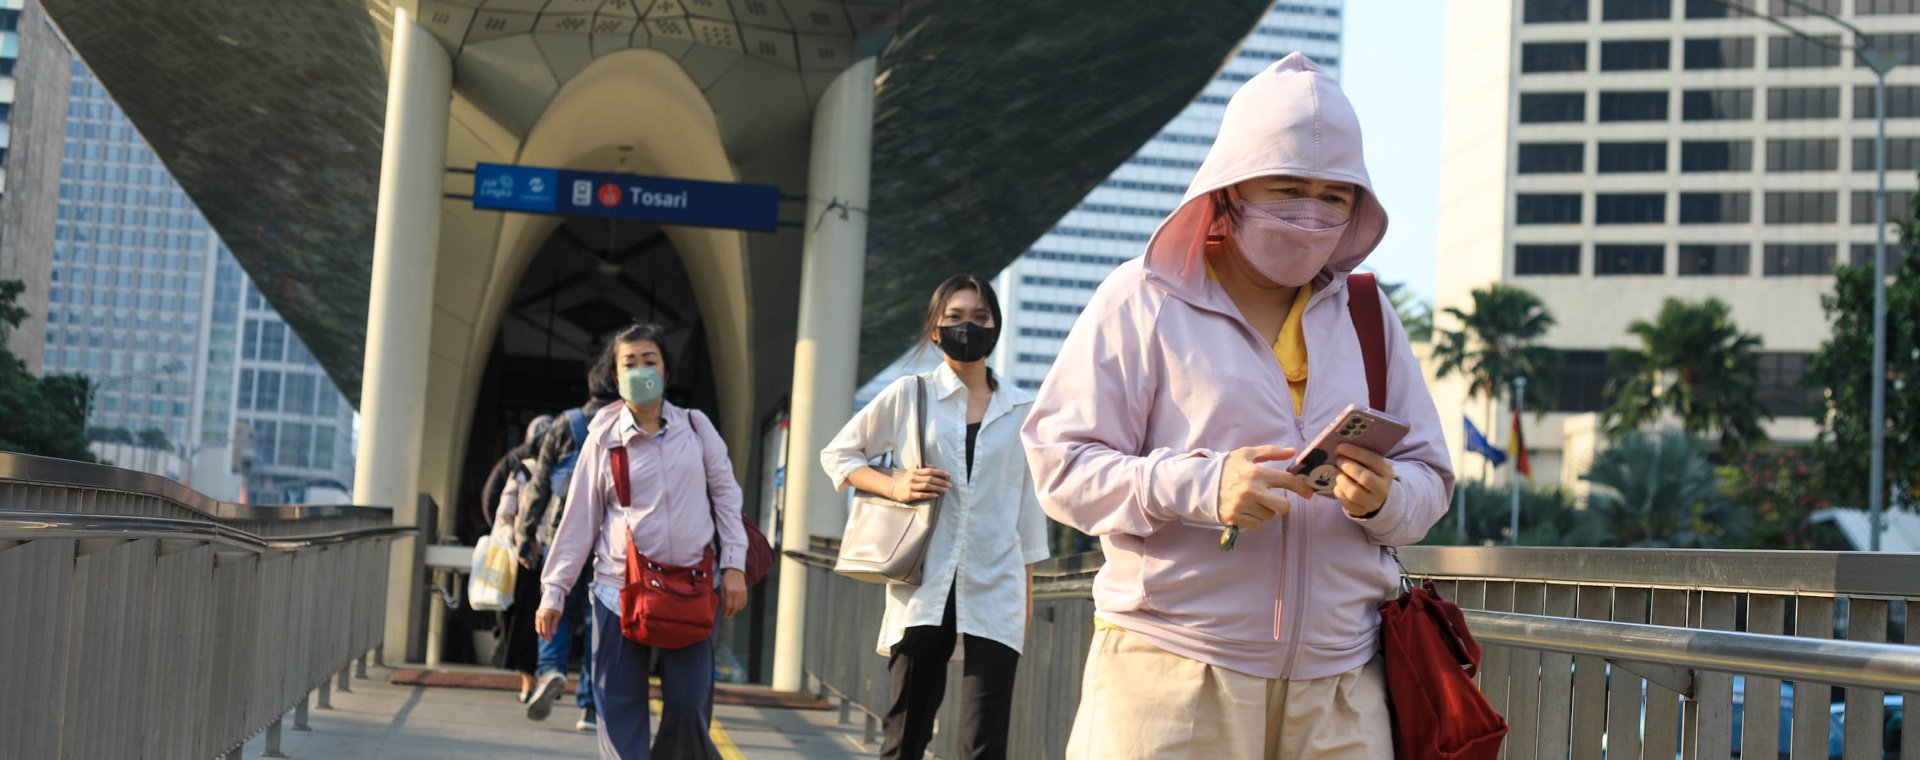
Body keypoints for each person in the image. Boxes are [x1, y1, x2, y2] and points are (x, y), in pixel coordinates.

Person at [1021, 53, 1454, 760]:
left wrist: (1384, 498)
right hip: (1171, 673)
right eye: (1287, 187)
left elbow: (1430, 480)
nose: (1310, 212)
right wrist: (1202, 486)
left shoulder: (1372, 317)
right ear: (1230, 188)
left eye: (1333, 195)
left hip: (1344, 688)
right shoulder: (1143, 299)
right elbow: (1060, 466)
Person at [821, 275, 1051, 760]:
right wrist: (894, 484)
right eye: (955, 318)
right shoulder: (911, 394)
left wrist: (1024, 604)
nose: (968, 327)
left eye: (980, 318)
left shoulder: (1024, 410)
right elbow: (839, 455)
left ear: (996, 326)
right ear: (934, 330)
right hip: (924, 582)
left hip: (996, 588)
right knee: (906, 732)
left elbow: (1028, 515)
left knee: (984, 742)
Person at [537, 322, 750, 760]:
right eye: (628, 363)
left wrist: (734, 565)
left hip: (691, 587)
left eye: (648, 361)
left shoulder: (696, 428)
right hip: (620, 590)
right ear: (615, 378)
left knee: (690, 706)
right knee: (618, 707)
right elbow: (578, 519)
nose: (639, 371)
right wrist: (554, 592)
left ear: (666, 372)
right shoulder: (603, 438)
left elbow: (727, 495)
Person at [519, 358, 623, 726]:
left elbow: (539, 485)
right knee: (600, 619)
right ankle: (591, 706)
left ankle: (551, 668)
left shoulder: (564, 424)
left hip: (562, 533)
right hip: (609, 541)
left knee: (557, 603)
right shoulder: (626, 425)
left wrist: (526, 533)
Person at [489, 414, 553, 703]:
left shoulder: (523, 470)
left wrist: (513, 537)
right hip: (559, 556)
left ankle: (528, 683)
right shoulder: (567, 471)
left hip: (525, 554)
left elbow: (504, 512)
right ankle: (551, 671)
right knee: (555, 616)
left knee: (525, 618)